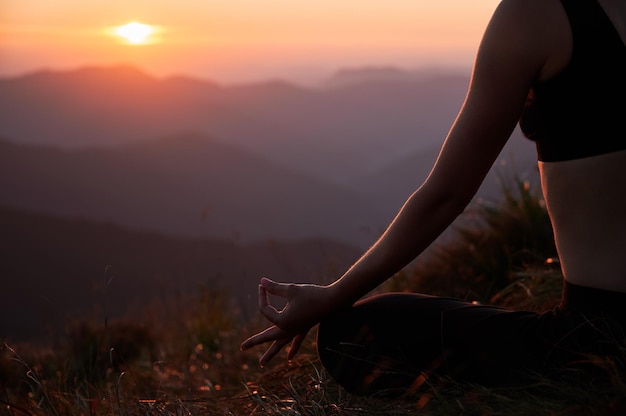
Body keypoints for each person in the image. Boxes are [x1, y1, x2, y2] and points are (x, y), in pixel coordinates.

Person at [241, 0, 626, 396]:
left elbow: (447, 195)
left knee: (351, 334)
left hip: (600, 340)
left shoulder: (535, 14)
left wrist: (334, 294)